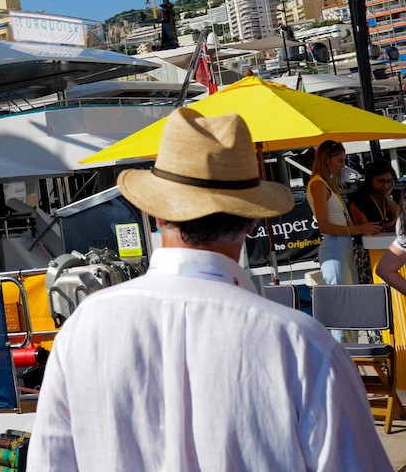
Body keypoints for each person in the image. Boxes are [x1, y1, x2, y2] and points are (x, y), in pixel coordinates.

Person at [28, 108, 391, 471]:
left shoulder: (83, 328)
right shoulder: (302, 346)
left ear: (158, 214)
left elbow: (49, 463)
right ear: (253, 219)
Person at [308, 139, 378, 289]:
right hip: (334, 245)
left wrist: (358, 228)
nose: (343, 165)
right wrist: (360, 229)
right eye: (340, 161)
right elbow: (324, 226)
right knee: (344, 296)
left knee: (352, 294)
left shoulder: (326, 183)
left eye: (344, 161)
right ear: (326, 159)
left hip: (343, 244)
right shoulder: (318, 183)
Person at [348, 159, 399, 284]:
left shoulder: (394, 195)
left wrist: (388, 197)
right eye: (381, 181)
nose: (385, 185)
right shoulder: (359, 199)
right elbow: (367, 230)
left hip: (394, 250)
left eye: (389, 181)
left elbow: (401, 220)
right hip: (368, 253)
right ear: (370, 179)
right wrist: (388, 225)